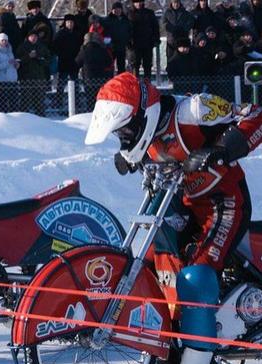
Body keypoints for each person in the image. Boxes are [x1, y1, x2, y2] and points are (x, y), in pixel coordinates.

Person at [86, 72, 262, 364]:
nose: (125, 138)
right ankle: (167, 340)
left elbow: (255, 116)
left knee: (196, 276)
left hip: (223, 204)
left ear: (144, 115)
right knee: (152, 266)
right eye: (121, 134)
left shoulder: (194, 112)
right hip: (178, 205)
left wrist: (220, 151)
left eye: (126, 131)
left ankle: (198, 355)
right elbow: (140, 150)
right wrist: (129, 157)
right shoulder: (144, 135)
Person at [128, 0, 160, 79]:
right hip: (134, 45)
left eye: (140, 2)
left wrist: (156, 39)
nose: (138, 4)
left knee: (147, 65)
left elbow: (155, 27)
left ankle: (147, 84)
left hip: (147, 43)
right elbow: (125, 29)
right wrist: (128, 42)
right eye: (136, 2)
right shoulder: (129, 14)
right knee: (135, 65)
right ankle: (134, 84)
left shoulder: (149, 13)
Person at [0, 33, 19, 113]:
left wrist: (16, 65)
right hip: (2, 80)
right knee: (3, 102)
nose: (4, 42)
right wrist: (8, 63)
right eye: (2, 40)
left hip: (12, 80)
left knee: (14, 102)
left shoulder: (10, 51)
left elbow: (12, 64)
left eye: (6, 40)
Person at [104, 2, 131, 73]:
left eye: (119, 9)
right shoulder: (107, 20)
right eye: (115, 9)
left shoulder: (125, 20)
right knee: (109, 65)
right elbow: (105, 33)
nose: (117, 11)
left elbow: (129, 31)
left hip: (122, 46)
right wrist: (108, 44)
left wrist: (128, 41)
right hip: (111, 47)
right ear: (112, 10)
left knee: (121, 66)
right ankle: (109, 80)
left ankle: (120, 81)